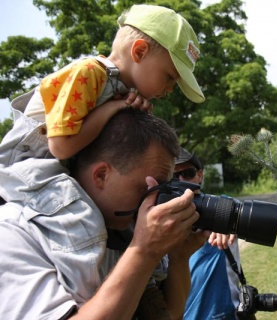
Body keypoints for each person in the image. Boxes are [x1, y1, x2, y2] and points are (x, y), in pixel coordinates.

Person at [0, 108, 210, 319]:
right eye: (150, 187)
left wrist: (179, 257)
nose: (157, 200)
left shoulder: (119, 231)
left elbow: (168, 315)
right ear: (101, 175)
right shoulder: (14, 233)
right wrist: (144, 251)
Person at [0, 4, 204, 203]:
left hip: (55, 173)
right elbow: (60, 147)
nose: (170, 89)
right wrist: (113, 108)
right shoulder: (88, 73)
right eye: (170, 77)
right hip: (21, 173)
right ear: (140, 52)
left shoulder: (122, 90)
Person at [173, 148, 244, 319]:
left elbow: (275, 226)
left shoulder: (224, 206)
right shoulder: (163, 218)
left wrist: (229, 223)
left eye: (187, 173)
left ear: (199, 175)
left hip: (227, 314)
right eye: (173, 176)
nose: (181, 180)